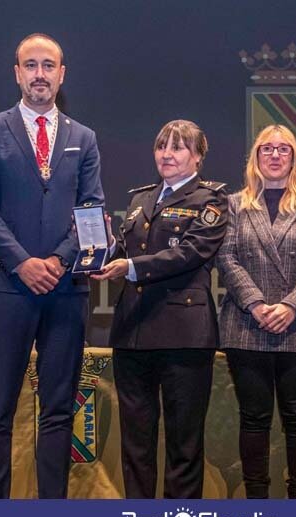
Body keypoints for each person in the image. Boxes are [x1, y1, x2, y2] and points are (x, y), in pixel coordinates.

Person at [0, 33, 104, 498]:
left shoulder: (83, 138)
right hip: (7, 290)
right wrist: (23, 263)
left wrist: (57, 261)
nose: (40, 74)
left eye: (49, 65)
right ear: (17, 73)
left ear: (62, 74)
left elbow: (92, 210)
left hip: (65, 292)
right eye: (31, 65)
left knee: (59, 410)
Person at [91, 119, 227, 498]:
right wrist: (99, 243)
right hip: (133, 332)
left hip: (184, 334)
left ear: (198, 156)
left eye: (178, 147)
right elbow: (122, 251)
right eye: (161, 146)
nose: (167, 154)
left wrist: (130, 267)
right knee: (136, 443)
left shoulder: (211, 200)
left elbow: (191, 252)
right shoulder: (140, 200)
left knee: (184, 444)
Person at [216, 124, 296, 499]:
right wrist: (255, 302)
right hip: (247, 324)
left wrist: (290, 306)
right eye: (267, 148)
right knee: (254, 418)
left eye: (284, 149)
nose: (275, 155)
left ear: (295, 157)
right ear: (256, 157)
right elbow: (226, 256)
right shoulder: (235, 203)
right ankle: (257, 503)